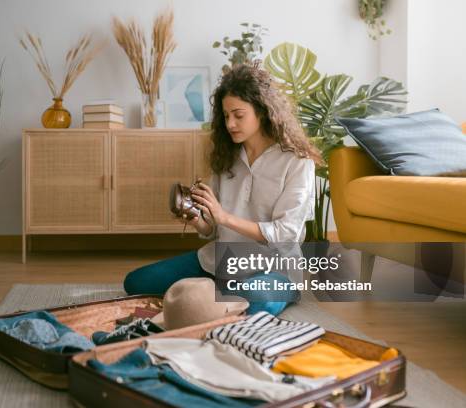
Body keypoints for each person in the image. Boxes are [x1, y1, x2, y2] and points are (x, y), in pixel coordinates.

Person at [124, 63, 324, 315]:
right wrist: (198, 218)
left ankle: (216, 298)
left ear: (262, 111)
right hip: (220, 262)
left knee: (256, 298)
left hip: (274, 269)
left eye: (238, 115)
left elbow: (286, 234)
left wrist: (224, 216)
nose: (230, 124)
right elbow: (213, 229)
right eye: (226, 115)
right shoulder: (226, 156)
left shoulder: (297, 161)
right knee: (136, 282)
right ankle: (220, 296)